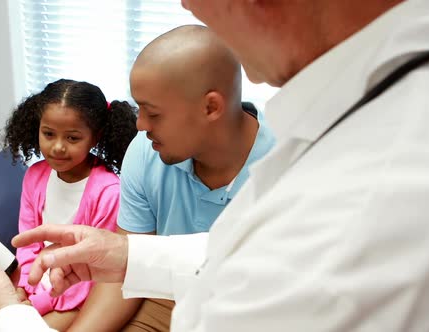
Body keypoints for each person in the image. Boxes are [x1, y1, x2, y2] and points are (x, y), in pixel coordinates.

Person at [0, 0, 429, 331]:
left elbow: (276, 264)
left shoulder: (368, 196)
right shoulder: (397, 101)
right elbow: (249, 252)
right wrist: (127, 252)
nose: (190, 4)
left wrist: (2, 313)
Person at [64, 25, 274, 331]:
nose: (139, 125)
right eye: (139, 108)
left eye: (153, 112)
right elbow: (127, 266)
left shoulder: (291, 165)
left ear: (210, 107)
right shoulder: (146, 151)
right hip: (167, 295)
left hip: (254, 308)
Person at [0, 79, 137, 330]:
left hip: (77, 298)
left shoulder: (108, 192)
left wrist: (39, 303)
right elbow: (28, 243)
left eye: (72, 138)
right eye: (48, 134)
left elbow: (95, 272)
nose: (58, 147)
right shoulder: (34, 176)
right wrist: (26, 289)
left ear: (94, 137)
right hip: (37, 286)